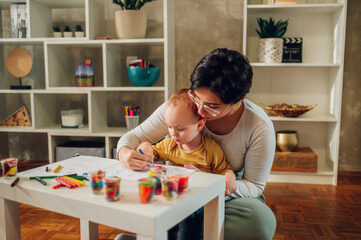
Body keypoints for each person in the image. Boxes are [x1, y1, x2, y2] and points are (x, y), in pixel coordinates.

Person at [117, 48, 277, 240]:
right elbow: (134, 136)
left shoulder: (259, 127)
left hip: (228, 196)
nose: (200, 110)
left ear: (238, 100)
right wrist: (125, 153)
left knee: (260, 223)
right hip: (181, 191)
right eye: (196, 96)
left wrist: (218, 184)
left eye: (212, 106)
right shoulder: (183, 105)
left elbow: (254, 185)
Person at [137, 88, 237, 196]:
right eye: (170, 127)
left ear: (199, 125)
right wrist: (145, 146)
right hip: (176, 195)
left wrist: (229, 177)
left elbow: (224, 171)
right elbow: (151, 154)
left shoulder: (211, 149)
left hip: (202, 197)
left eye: (180, 129)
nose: (173, 133)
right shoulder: (169, 145)